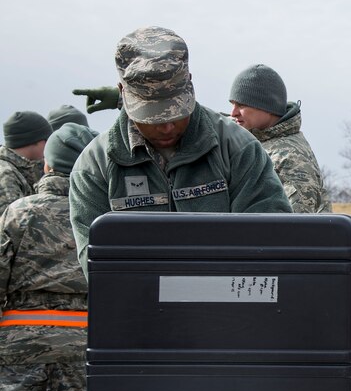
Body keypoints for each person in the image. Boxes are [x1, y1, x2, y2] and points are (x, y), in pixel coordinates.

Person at [69, 26, 292, 276]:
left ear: (190, 84)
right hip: (141, 310)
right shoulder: (94, 166)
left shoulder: (238, 149)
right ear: (124, 94)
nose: (167, 126)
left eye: (176, 111)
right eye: (152, 116)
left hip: (227, 307)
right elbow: (98, 266)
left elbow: (270, 242)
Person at [0, 123, 97, 391]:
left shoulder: (19, 212)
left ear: (47, 164)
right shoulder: (101, 216)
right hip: (85, 345)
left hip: (19, 345)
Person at [228, 64, 330, 213]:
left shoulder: (290, 158)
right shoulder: (256, 141)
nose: (233, 112)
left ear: (267, 106)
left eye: (242, 105)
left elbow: (295, 227)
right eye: (233, 104)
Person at [0, 112, 52, 217]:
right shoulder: (5, 174)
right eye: (47, 140)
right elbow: (14, 222)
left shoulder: (19, 168)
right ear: (37, 141)